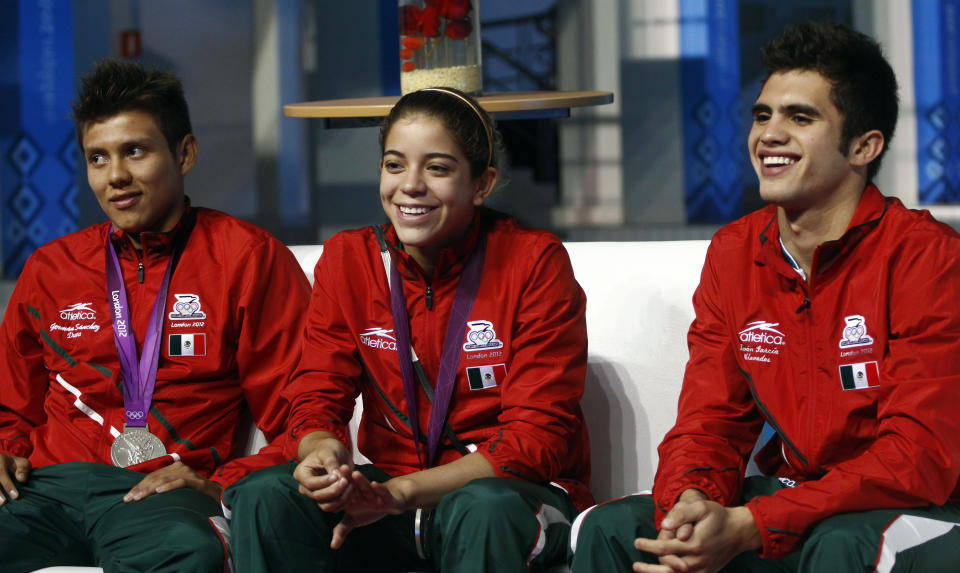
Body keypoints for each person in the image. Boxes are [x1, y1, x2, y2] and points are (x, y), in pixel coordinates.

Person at [569, 20, 960, 573]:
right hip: (800, 498)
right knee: (617, 530)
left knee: (844, 547)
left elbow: (916, 459)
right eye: (762, 115)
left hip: (926, 508)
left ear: (863, 146)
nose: (769, 134)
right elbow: (710, 422)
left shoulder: (927, 257)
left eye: (800, 118)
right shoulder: (735, 251)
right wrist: (690, 504)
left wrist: (757, 523)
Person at [224, 87, 592, 572]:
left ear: (482, 184)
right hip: (390, 492)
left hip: (507, 495)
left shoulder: (533, 262)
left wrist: (401, 493)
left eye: (437, 168)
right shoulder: (349, 259)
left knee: (481, 509)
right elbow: (317, 392)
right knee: (268, 494)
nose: (410, 185)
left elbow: (534, 441)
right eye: (394, 165)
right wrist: (323, 452)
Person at [0, 59, 310, 572]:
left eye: (135, 151)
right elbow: (13, 404)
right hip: (46, 489)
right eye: (97, 158)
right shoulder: (51, 267)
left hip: (158, 492)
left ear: (184, 153)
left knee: (190, 554)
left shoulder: (246, 259)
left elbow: (306, 414)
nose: (115, 176)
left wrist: (222, 482)